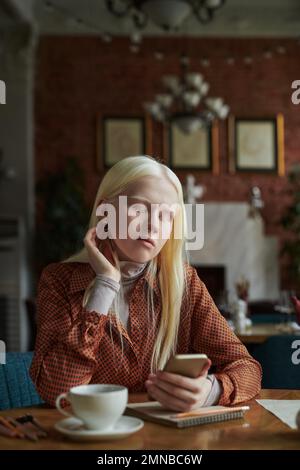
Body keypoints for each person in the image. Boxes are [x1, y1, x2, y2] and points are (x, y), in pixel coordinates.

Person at [30, 155, 261, 412]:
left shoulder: (185, 284)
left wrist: (210, 391)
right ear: (105, 211)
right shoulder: (59, 281)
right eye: (139, 209)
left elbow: (247, 368)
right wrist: (105, 285)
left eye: (165, 216)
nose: (153, 225)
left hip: (165, 441)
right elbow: (56, 392)